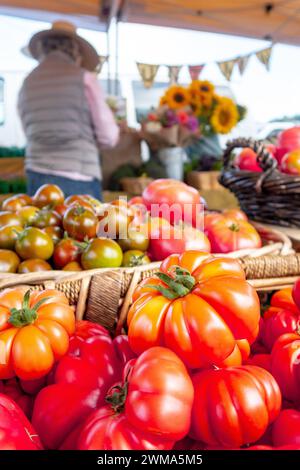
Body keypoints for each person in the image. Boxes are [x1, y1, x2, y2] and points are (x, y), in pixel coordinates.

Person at [18, 21, 119, 200]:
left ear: (43, 49)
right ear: (75, 50)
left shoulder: (27, 82)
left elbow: (28, 128)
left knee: (39, 227)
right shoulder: (84, 79)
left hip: (36, 175)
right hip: (77, 176)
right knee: (87, 227)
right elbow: (109, 136)